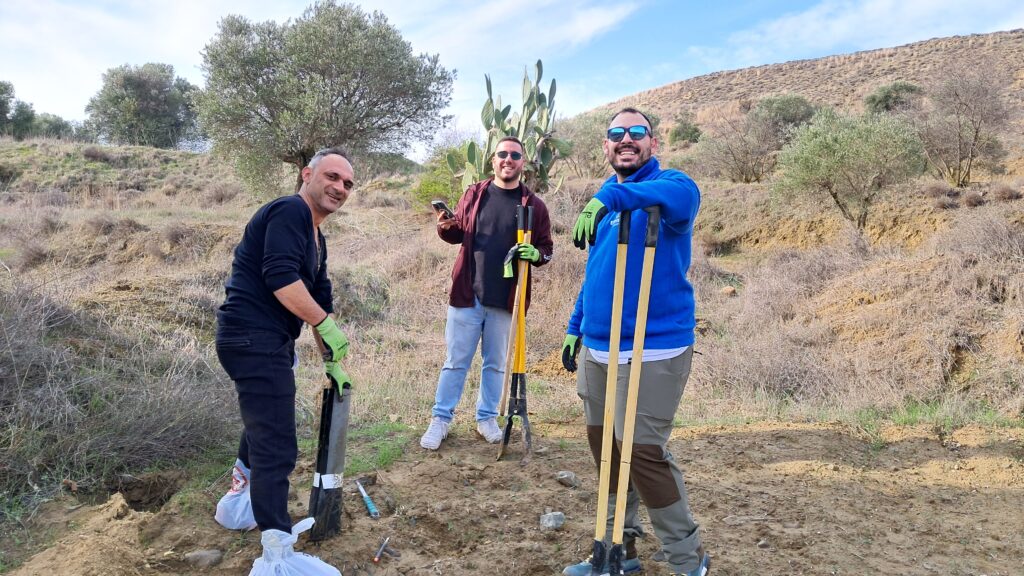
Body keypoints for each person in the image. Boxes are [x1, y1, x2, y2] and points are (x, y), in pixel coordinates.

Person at [560, 109, 710, 576]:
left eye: (636, 132)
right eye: (616, 134)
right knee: (606, 448)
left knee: (642, 452)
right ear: (605, 146)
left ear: (653, 142)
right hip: (599, 349)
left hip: (655, 347)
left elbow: (682, 198)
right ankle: (615, 551)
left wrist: (610, 195)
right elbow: (597, 273)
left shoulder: (672, 187)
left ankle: (689, 561)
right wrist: (575, 325)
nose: (626, 139)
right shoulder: (606, 213)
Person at [214, 147, 354, 575]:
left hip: (266, 340)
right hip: (252, 336)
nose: (340, 188)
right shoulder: (290, 211)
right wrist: (324, 324)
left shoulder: (317, 237)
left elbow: (318, 296)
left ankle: (240, 501)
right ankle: (276, 552)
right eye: (332, 176)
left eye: (348, 184)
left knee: (264, 423)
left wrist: (330, 357)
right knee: (278, 445)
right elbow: (281, 279)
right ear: (306, 174)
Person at [420, 136, 553, 450]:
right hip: (468, 294)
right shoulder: (475, 193)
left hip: (507, 299)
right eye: (502, 154)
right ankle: (440, 420)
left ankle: (486, 418)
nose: (508, 160)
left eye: (515, 155)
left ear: (523, 163)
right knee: (456, 361)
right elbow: (458, 235)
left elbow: (546, 249)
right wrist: (444, 226)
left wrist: (536, 255)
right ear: (493, 160)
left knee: (495, 364)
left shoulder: (534, 205)